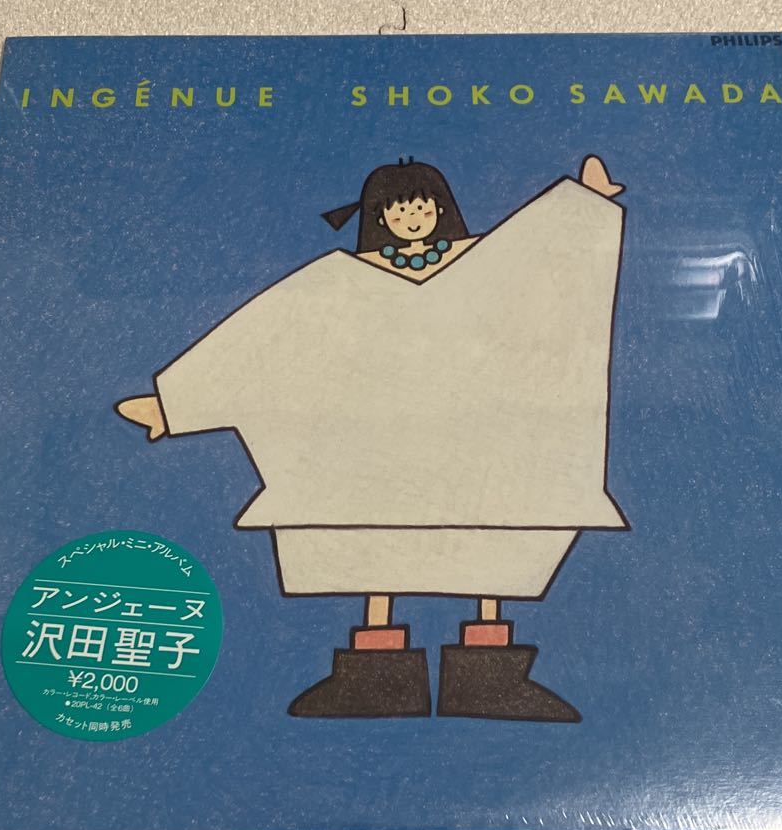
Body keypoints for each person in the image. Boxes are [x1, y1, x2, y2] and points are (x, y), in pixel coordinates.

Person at [117, 153, 628, 721]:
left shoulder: (490, 263)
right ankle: (372, 677)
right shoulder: (337, 281)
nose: (412, 219)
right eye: (398, 210)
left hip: (482, 452)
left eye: (421, 207)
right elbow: (262, 336)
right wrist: (175, 405)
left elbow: (546, 259)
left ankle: (491, 681)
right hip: (367, 461)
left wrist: (584, 206)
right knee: (372, 559)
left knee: (494, 556)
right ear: (379, 217)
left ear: (441, 209)